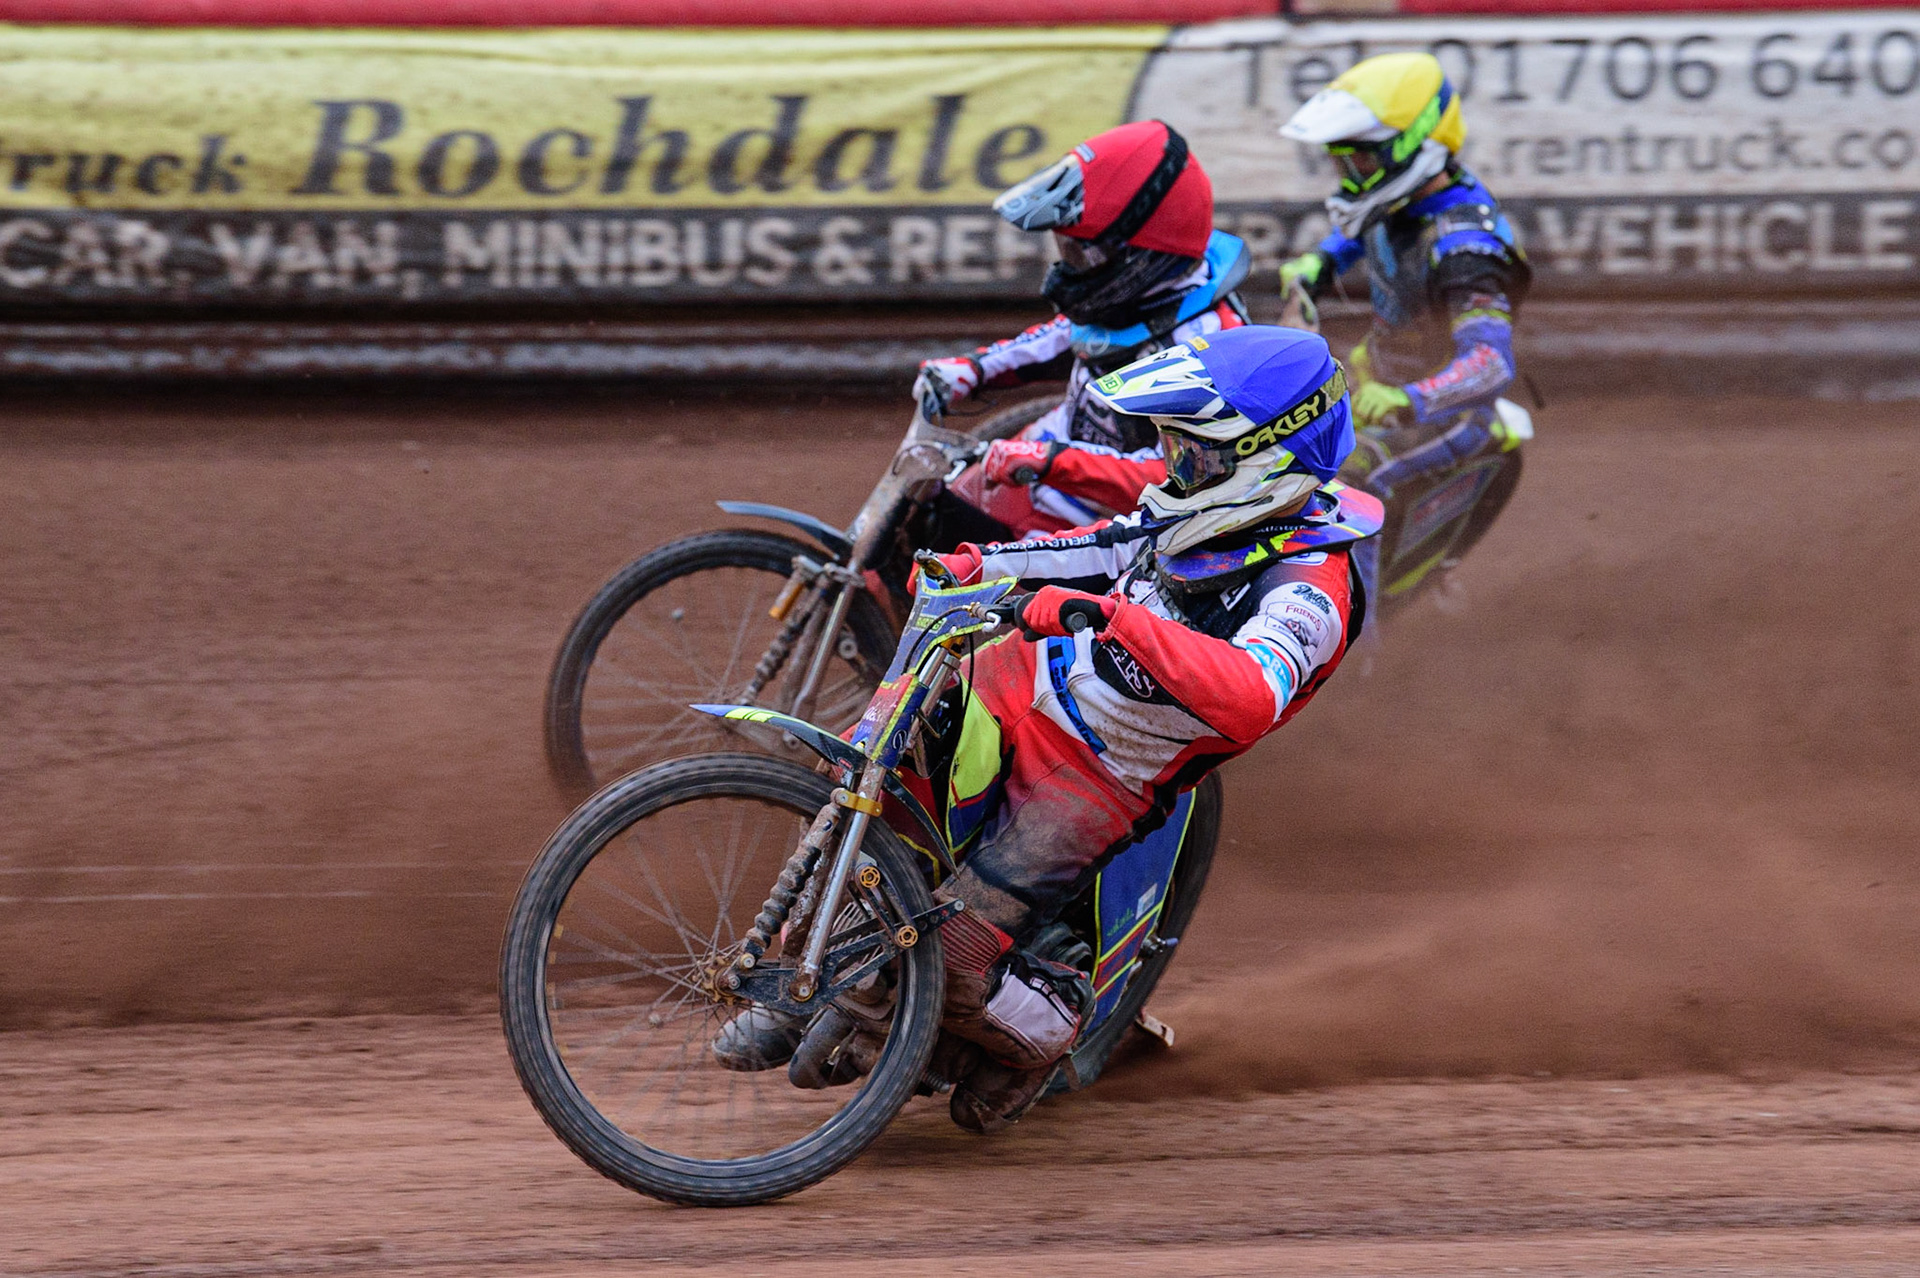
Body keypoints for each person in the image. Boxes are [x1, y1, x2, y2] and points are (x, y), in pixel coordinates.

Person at [719, 325, 1381, 1133]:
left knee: (956, 960)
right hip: (1017, 691)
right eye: (1170, 447)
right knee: (865, 788)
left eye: (1194, 454)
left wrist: (1113, 620)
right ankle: (807, 964)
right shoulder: (1189, 511)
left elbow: (1249, 694)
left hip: (1098, 778)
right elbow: (1098, 546)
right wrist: (979, 566)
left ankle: (1047, 1034)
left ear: (1266, 459)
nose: (1174, 470)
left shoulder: (1312, 585)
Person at [912, 119, 1253, 538]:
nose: (1068, 265)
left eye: (1081, 252)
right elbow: (1068, 332)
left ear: (1141, 252)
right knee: (923, 516)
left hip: (1111, 522)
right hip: (1047, 466)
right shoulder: (1147, 298)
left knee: (968, 584)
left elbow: (1182, 473)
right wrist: (975, 368)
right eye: (1064, 247)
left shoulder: (1207, 347)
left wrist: (1054, 460)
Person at [1276, 51, 1532, 497]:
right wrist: (1322, 262)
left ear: (1417, 143)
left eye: (1363, 164)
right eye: (1343, 165)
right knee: (1279, 453)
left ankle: (1345, 570)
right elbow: (1364, 228)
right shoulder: (1404, 199)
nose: (1352, 179)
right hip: (1377, 381)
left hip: (1449, 415)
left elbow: (1491, 363)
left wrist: (1407, 399)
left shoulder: (1464, 246)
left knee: (1344, 491)